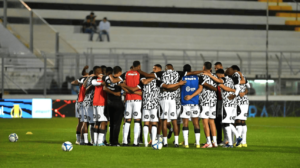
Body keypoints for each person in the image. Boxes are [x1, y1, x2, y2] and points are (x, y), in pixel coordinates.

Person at [136, 64, 204, 147]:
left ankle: (165, 142)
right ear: (173, 68)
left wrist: (138, 70)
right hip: (174, 100)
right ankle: (176, 142)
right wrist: (202, 71)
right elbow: (192, 72)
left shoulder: (161, 74)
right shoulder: (178, 73)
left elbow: (147, 75)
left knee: (164, 121)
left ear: (165, 69)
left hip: (163, 100)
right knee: (174, 121)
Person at [109, 61, 145, 146]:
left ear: (132, 66)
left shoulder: (126, 74)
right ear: (139, 66)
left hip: (128, 100)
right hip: (137, 100)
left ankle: (125, 142)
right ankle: (136, 142)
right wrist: (133, 91)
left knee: (127, 121)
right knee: (137, 121)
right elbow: (143, 85)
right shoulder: (141, 75)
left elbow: (115, 81)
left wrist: (110, 74)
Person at [207, 68, 243, 148]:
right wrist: (234, 92)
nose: (217, 77)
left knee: (226, 123)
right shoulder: (232, 79)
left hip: (227, 103)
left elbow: (223, 86)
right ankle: (233, 140)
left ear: (219, 74)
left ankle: (234, 139)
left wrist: (209, 75)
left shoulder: (223, 79)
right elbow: (237, 87)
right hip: (233, 103)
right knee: (228, 122)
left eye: (217, 76)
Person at [179, 64, 202, 148]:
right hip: (195, 103)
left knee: (185, 123)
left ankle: (186, 143)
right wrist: (192, 96)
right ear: (191, 69)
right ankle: (198, 143)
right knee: (196, 123)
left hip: (185, 103)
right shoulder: (198, 78)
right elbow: (200, 89)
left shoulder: (182, 77)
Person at [103, 66, 125, 146]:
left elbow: (104, 88)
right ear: (120, 72)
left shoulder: (107, 78)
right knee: (117, 123)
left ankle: (111, 141)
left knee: (111, 123)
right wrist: (115, 93)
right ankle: (115, 142)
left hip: (109, 103)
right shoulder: (120, 78)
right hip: (117, 103)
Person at [198, 62, 218, 148]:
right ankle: (215, 142)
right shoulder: (215, 76)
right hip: (213, 101)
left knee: (205, 122)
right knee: (212, 122)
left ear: (203, 67)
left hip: (205, 101)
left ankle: (209, 142)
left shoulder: (201, 76)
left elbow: (200, 89)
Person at [231, 65, 249, 148]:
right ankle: (244, 142)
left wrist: (239, 93)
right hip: (245, 101)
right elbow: (248, 87)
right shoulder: (244, 77)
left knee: (237, 121)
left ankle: (238, 142)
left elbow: (236, 85)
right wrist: (244, 93)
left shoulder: (234, 76)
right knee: (243, 121)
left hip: (238, 101)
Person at [71, 65, 89, 145]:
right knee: (83, 122)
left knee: (81, 122)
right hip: (83, 102)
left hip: (80, 102)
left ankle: (79, 139)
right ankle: (81, 140)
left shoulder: (82, 79)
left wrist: (84, 70)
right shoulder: (90, 78)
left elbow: (73, 82)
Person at [91, 67, 107, 146]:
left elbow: (94, 83)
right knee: (103, 121)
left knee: (96, 122)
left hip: (95, 102)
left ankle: (95, 142)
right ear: (98, 72)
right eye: (102, 71)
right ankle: (100, 142)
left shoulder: (94, 80)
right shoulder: (103, 79)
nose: (103, 72)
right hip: (101, 102)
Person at [214, 62, 225, 145]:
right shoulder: (215, 77)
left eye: (217, 68)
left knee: (219, 120)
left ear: (221, 67)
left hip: (222, 101)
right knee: (214, 120)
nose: (216, 70)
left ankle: (220, 140)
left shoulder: (224, 78)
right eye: (215, 68)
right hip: (215, 101)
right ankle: (213, 140)